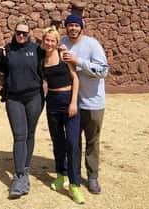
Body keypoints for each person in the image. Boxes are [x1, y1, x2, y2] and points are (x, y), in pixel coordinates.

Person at [60, 14, 108, 195]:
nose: (72, 28)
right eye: (70, 25)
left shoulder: (92, 44)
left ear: (81, 27)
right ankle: (74, 174)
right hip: (72, 102)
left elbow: (103, 71)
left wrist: (77, 61)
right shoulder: (63, 42)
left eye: (75, 25)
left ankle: (93, 176)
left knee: (92, 141)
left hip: (93, 103)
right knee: (73, 141)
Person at [0, 20, 44, 198]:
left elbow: (52, 61)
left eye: (25, 33)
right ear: (14, 32)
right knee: (20, 135)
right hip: (14, 98)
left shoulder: (37, 50)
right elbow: (1, 70)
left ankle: (25, 171)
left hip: (34, 97)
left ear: (29, 34)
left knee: (30, 133)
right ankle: (18, 176)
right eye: (19, 32)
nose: (21, 36)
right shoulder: (8, 50)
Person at [42, 26, 84, 204]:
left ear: (57, 42)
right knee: (57, 141)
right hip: (52, 101)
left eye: (53, 40)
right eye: (47, 40)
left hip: (68, 100)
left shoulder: (63, 55)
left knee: (73, 143)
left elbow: (75, 78)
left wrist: (73, 102)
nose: (49, 43)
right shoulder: (41, 58)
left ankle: (74, 185)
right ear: (43, 41)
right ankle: (61, 175)